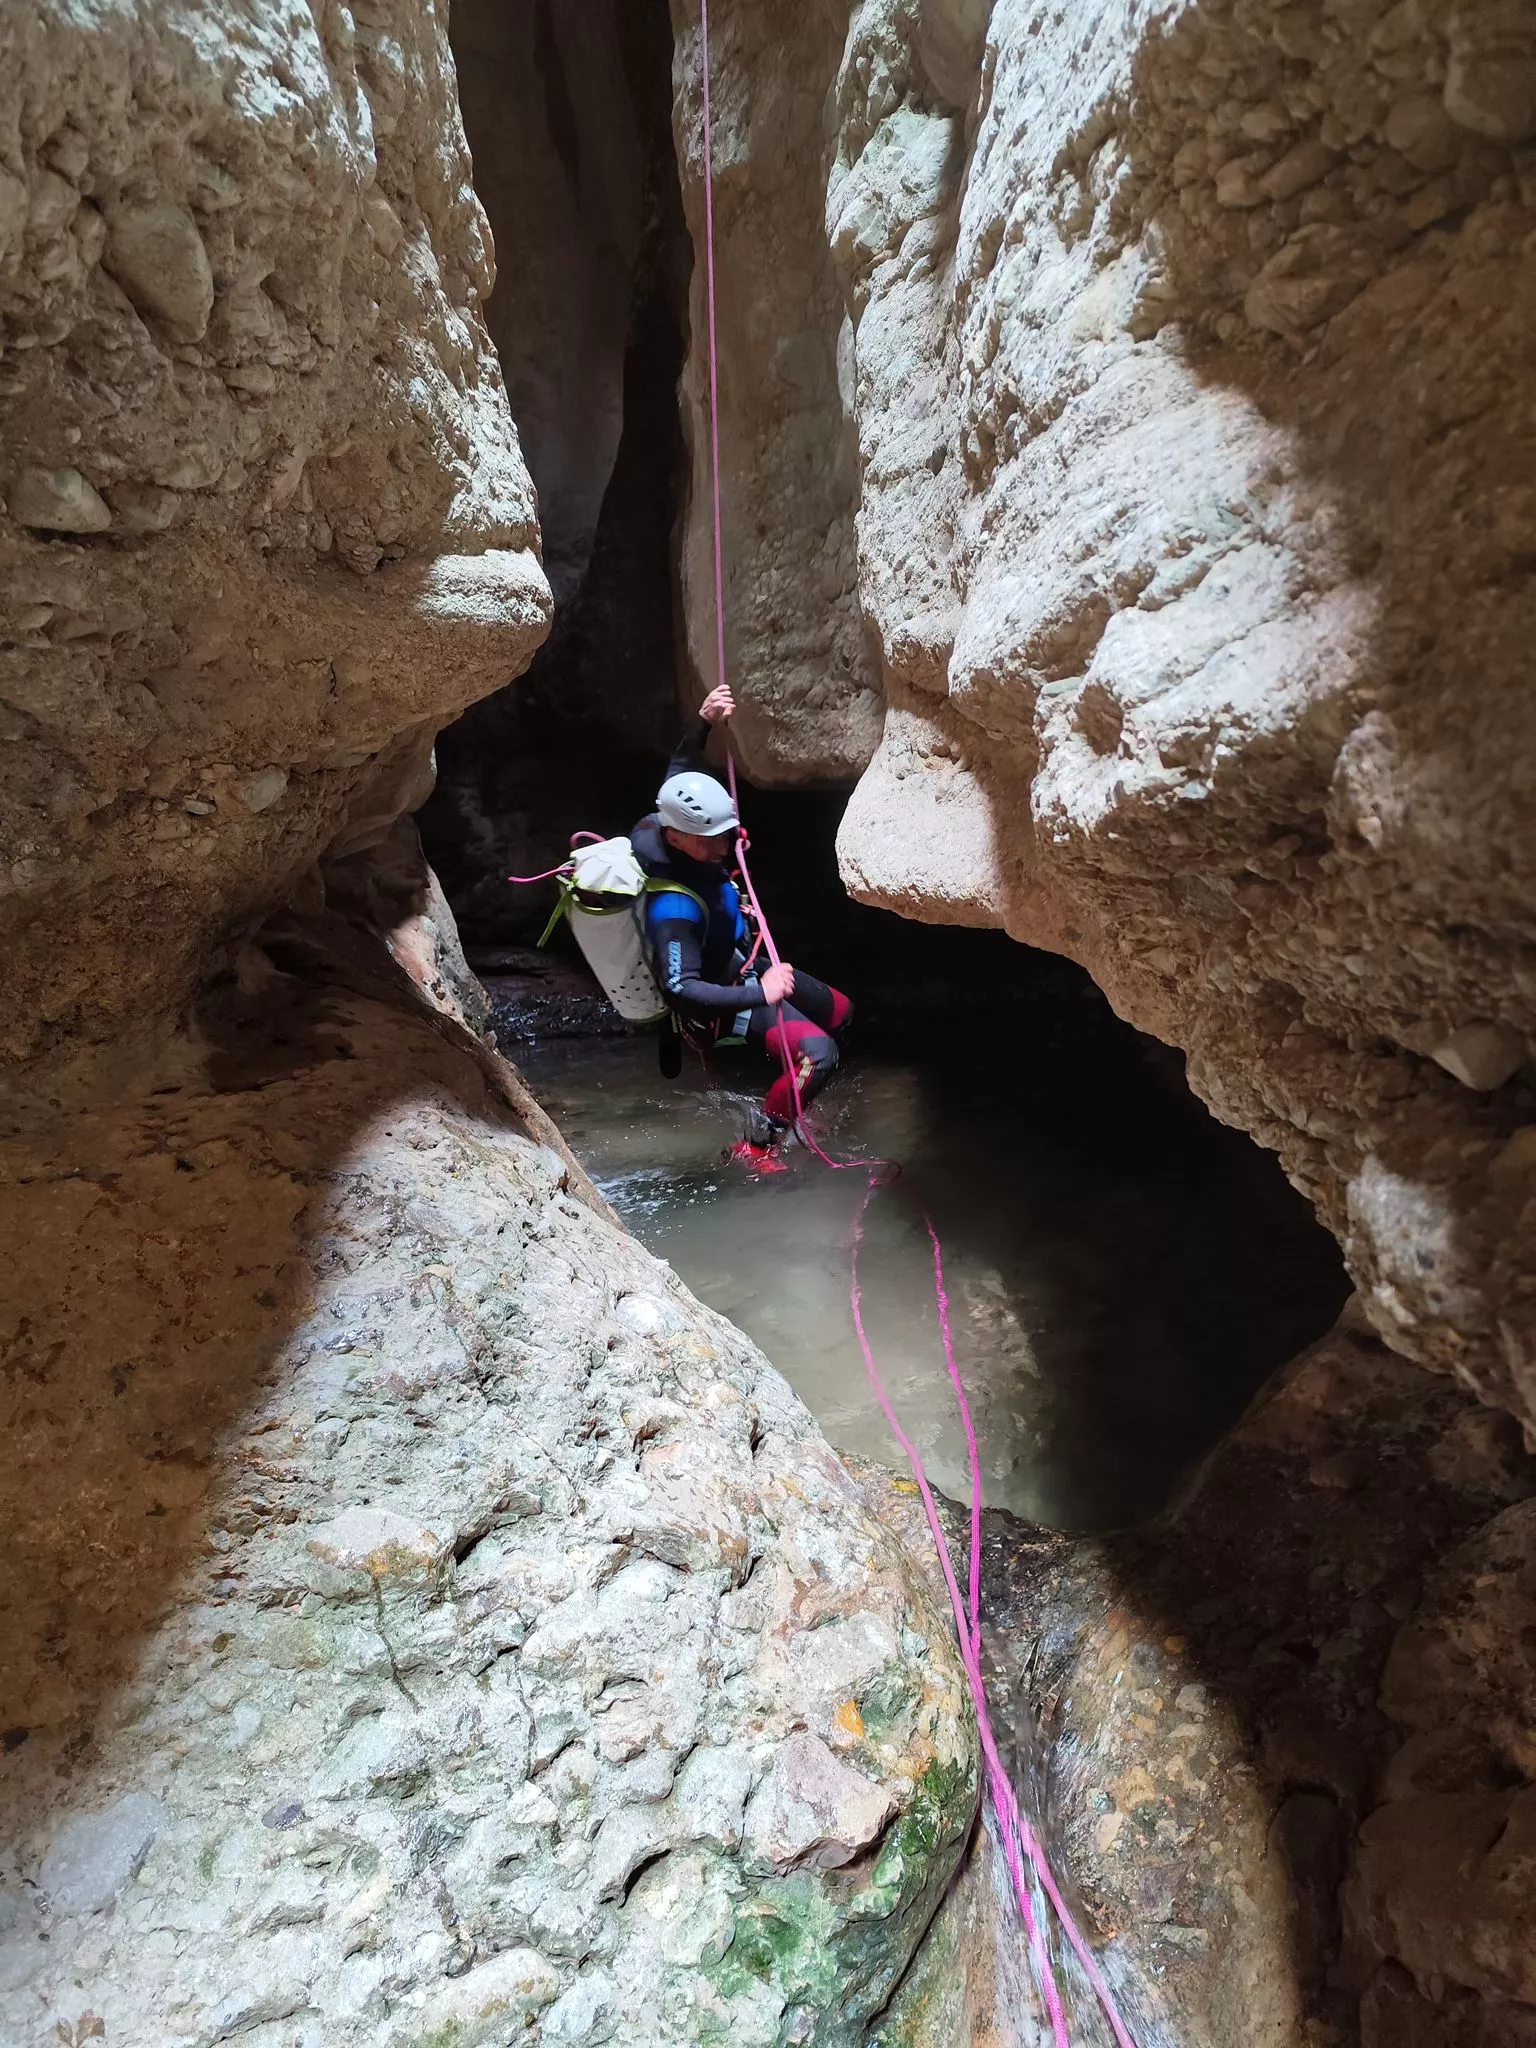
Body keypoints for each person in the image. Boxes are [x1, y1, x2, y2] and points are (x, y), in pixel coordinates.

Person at [631, 683, 854, 1168]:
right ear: (676, 838)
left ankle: (796, 1097)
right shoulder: (673, 909)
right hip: (724, 997)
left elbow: (678, 774)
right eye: (712, 839)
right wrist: (764, 992)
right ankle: (759, 1143)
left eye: (725, 834)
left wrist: (704, 721)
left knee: (841, 1012)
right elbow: (681, 989)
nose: (724, 845)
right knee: (820, 1054)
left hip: (741, 964)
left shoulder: (666, 827)